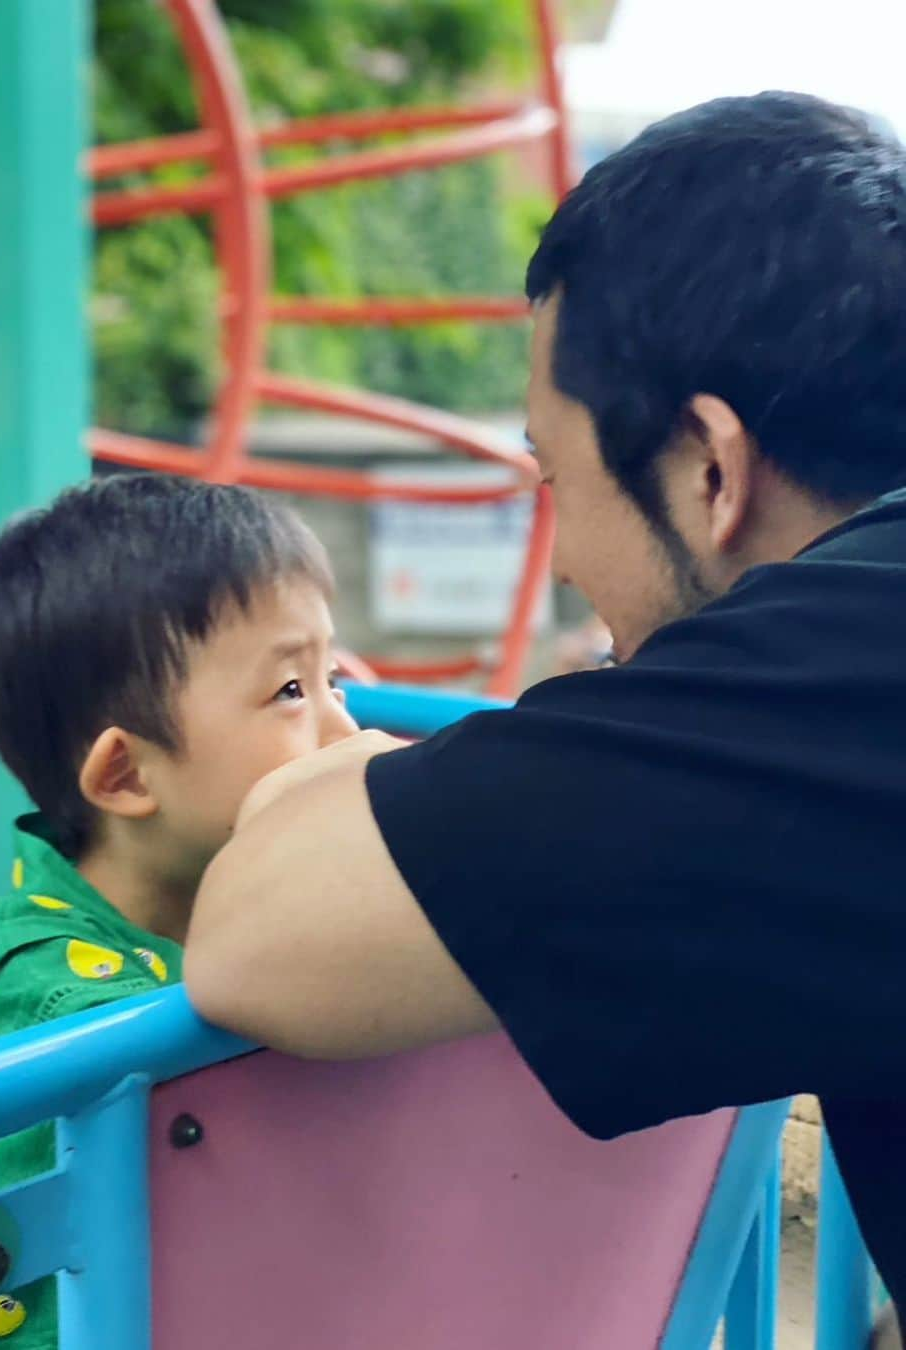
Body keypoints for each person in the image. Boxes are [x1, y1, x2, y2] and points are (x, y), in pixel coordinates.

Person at [182, 90, 906, 1319]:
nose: (563, 557)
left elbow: (258, 940)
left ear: (711, 469)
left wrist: (323, 763)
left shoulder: (841, 676)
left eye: (556, 476)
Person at [0, 474, 355, 1348]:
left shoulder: (252, 886)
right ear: (128, 776)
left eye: (338, 679)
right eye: (291, 690)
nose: (346, 731)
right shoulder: (62, 1015)